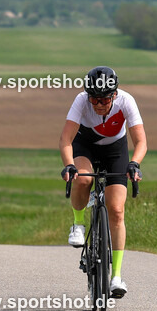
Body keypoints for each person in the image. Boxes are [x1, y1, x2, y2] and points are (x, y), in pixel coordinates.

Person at [59, 66, 146, 298]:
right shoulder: (81, 100)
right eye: (94, 99)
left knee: (116, 210)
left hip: (115, 151)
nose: (98, 104)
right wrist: (69, 165)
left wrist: (134, 163)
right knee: (83, 179)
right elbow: (66, 139)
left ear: (114, 94)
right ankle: (78, 224)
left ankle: (116, 276)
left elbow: (140, 142)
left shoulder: (126, 101)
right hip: (85, 146)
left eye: (104, 99)